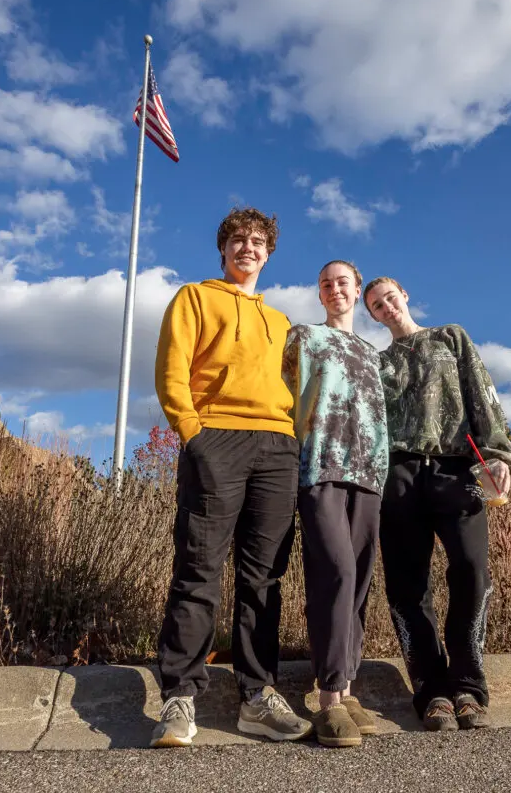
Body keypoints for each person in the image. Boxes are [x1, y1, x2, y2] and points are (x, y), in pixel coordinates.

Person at [149, 206, 313, 748]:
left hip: (277, 447)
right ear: (224, 250)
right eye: (238, 239)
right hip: (216, 436)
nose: (248, 247)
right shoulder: (195, 298)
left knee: (263, 577)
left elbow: (299, 385)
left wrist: (293, 436)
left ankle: (257, 696)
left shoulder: (283, 321)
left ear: (268, 253)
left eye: (259, 241)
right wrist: (193, 433)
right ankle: (179, 698)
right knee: (199, 566)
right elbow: (172, 370)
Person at [363, 276, 511, 732]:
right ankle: (431, 691)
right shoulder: (377, 362)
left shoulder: (450, 337)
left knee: (472, 570)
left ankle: (468, 684)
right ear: (371, 314)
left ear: (404, 295)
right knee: (408, 587)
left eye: (390, 297)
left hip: (456, 471)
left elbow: (481, 393)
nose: (386, 307)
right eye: (376, 305)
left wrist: (498, 454)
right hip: (399, 476)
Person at [281, 260, 389, 749]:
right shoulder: (303, 337)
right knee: (336, 572)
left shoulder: (373, 353)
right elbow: (282, 397)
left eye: (343, 282)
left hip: (369, 476)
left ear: (357, 289)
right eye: (326, 284)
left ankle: (347, 686)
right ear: (320, 294)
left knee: (361, 580)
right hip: (320, 467)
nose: (334, 289)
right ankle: (327, 698)